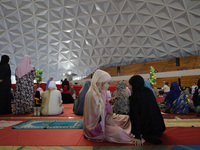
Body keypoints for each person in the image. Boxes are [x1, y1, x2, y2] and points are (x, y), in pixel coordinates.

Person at [83, 69, 134, 144]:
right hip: (97, 125)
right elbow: (96, 115)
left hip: (106, 119)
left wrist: (110, 102)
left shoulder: (103, 92)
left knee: (126, 118)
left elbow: (104, 107)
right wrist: (108, 110)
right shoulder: (92, 94)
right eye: (108, 83)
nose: (109, 86)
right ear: (101, 82)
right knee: (119, 132)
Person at [129, 75, 166, 145]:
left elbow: (135, 116)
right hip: (158, 128)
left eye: (130, 85)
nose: (129, 87)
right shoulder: (148, 91)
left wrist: (137, 136)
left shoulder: (135, 96)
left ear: (134, 85)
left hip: (146, 130)